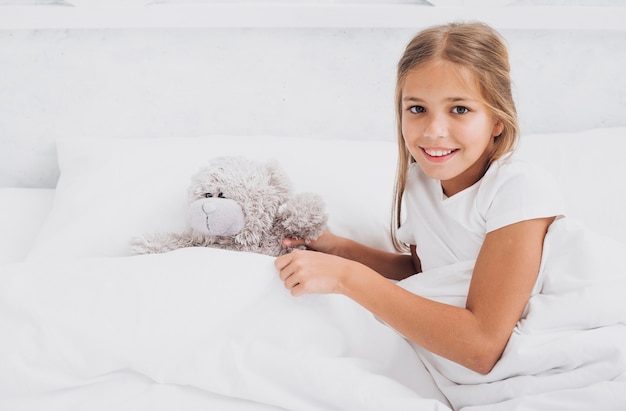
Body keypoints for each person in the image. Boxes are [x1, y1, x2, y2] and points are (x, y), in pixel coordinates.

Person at [274, 22, 563, 375]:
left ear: (497, 120)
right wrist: (338, 249)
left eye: (459, 109)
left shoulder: (518, 188)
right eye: (417, 109)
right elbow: (430, 271)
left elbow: (482, 347)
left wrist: (346, 278)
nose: (433, 131)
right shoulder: (421, 181)